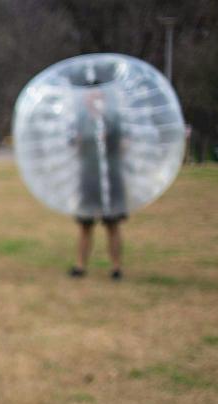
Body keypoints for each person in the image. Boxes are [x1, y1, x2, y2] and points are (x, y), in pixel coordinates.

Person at [70, 89, 126, 280]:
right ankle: (80, 266)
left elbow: (123, 145)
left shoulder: (113, 120)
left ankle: (116, 267)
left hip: (110, 177)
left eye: (98, 97)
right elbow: (75, 147)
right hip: (88, 177)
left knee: (113, 224)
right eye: (91, 97)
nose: (94, 101)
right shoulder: (81, 121)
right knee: (85, 224)